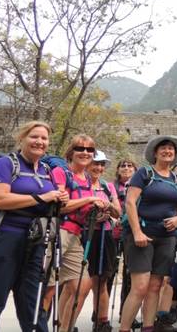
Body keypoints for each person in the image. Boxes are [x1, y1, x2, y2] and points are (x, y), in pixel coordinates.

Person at [0, 121, 68, 332]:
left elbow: (49, 201)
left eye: (44, 138)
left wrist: (60, 199)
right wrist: (41, 197)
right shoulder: (5, 164)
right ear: (21, 138)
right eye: (34, 136)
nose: (39, 142)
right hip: (3, 238)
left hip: (35, 242)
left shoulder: (46, 169)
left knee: (32, 302)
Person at [119, 135, 177, 332]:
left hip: (167, 237)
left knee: (155, 286)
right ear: (155, 153)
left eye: (171, 149)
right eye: (163, 148)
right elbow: (130, 202)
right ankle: (124, 328)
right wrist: (137, 232)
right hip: (142, 235)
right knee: (140, 287)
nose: (167, 151)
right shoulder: (144, 173)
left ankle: (148, 328)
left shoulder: (176, 178)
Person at [44, 134, 110, 332]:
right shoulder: (61, 173)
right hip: (58, 232)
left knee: (82, 285)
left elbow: (79, 209)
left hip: (76, 235)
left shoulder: (87, 178)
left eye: (90, 150)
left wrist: (96, 213)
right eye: (80, 148)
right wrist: (90, 200)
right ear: (71, 152)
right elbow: (59, 207)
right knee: (47, 289)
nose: (85, 153)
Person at [86, 150, 122, 332]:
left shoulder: (107, 187)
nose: (99, 168)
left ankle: (102, 321)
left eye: (102, 164)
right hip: (85, 235)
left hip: (105, 235)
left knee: (102, 280)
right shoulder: (81, 184)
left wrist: (108, 207)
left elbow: (118, 212)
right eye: (95, 163)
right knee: (86, 281)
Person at [110, 159, 138, 326]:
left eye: (130, 166)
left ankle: (127, 314)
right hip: (113, 234)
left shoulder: (140, 187)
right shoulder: (111, 186)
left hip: (131, 234)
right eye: (123, 166)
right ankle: (99, 316)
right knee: (109, 274)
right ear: (118, 170)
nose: (126, 168)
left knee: (129, 276)